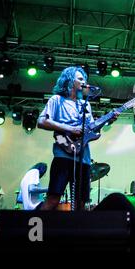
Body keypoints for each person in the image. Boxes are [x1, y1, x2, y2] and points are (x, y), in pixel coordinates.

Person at [37, 66, 94, 211]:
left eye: (85, 79)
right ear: (69, 80)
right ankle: (35, 233)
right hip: (63, 156)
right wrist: (70, 128)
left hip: (83, 159)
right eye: (80, 78)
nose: (84, 81)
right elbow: (41, 122)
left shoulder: (85, 105)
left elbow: (91, 131)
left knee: (81, 204)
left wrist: (107, 120)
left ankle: (76, 233)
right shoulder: (57, 100)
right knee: (53, 200)